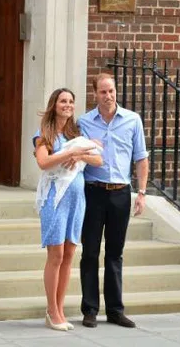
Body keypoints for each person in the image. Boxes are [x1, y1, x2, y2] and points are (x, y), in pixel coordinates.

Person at [78, 73, 148, 329]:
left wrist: (141, 193)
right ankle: (90, 310)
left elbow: (141, 158)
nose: (108, 96)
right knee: (90, 252)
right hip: (93, 193)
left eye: (111, 91)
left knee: (115, 254)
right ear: (94, 93)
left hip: (121, 194)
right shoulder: (84, 122)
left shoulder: (132, 120)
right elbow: (76, 155)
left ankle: (116, 310)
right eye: (103, 92)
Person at [33, 88, 102, 331]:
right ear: (54, 105)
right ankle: (52, 311)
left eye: (71, 101)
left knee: (70, 254)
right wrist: (69, 153)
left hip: (77, 200)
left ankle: (60, 309)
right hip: (54, 199)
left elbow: (98, 160)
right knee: (56, 255)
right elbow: (43, 162)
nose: (68, 105)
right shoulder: (44, 134)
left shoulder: (77, 133)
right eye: (63, 101)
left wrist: (81, 153)